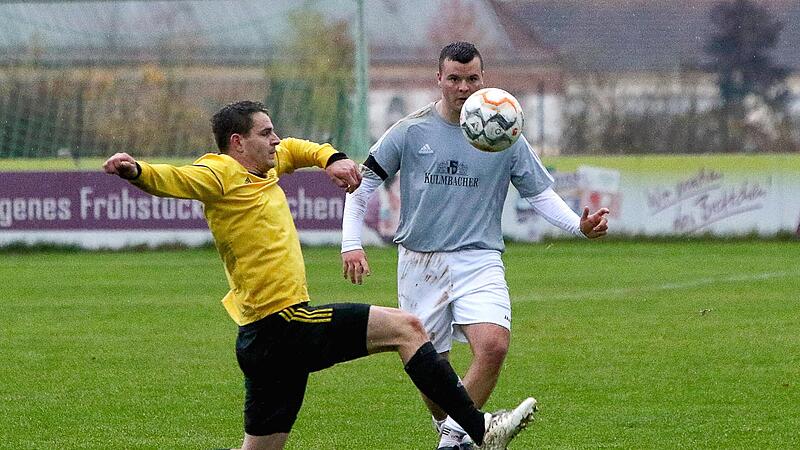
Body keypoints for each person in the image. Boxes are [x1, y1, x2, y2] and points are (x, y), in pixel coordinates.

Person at [102, 100, 536, 450]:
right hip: (282, 324)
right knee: (407, 328)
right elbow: (175, 179)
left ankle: (473, 429)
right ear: (237, 142)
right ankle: (479, 429)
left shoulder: (266, 165)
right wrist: (136, 171)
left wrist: (333, 158)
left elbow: (296, 148)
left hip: (261, 339)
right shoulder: (220, 172)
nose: (275, 140)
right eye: (265, 133)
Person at [341, 42, 610, 450]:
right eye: (454, 78)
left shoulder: (505, 130)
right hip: (420, 260)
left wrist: (578, 225)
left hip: (479, 257)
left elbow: (537, 192)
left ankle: (456, 438)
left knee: (494, 345)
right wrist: (351, 243)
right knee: (433, 372)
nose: (463, 87)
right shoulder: (410, 130)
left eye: (472, 79)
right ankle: (459, 432)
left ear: (483, 79)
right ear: (439, 80)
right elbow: (363, 187)